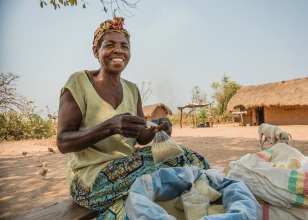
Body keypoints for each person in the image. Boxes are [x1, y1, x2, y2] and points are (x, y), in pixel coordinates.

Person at [56, 17, 210, 219]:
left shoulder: (131, 89)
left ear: (129, 53)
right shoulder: (79, 82)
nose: (118, 50)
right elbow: (63, 142)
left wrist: (156, 129)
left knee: (185, 158)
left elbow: (141, 137)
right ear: (96, 52)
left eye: (124, 46)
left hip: (127, 168)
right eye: (110, 45)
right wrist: (109, 127)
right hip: (90, 180)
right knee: (171, 169)